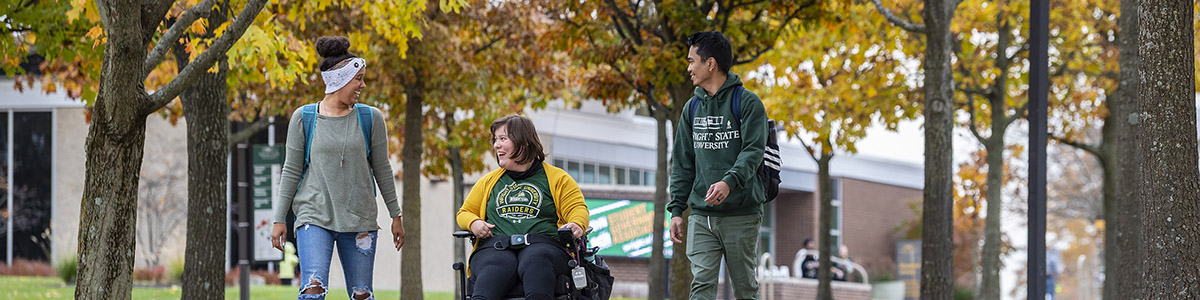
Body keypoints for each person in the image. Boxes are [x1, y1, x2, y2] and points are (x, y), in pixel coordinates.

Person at [269, 36, 405, 300]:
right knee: (312, 289)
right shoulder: (304, 118)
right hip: (313, 216)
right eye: (358, 79)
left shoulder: (371, 118)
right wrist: (278, 218)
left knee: (361, 294)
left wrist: (395, 215)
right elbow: (291, 171)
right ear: (339, 80)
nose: (363, 85)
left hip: (359, 218)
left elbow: (382, 169)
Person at [668, 30, 768, 300]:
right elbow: (682, 163)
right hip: (701, 216)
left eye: (692, 61)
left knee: (745, 288)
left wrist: (729, 181)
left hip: (741, 213)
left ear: (710, 63)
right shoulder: (691, 108)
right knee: (701, 285)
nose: (688, 68)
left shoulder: (748, 103)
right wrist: (677, 209)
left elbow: (753, 151)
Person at [456, 115, 590, 300]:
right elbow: (465, 212)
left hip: (543, 247)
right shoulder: (488, 182)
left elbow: (577, 208)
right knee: (496, 266)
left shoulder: (558, 178)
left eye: (503, 139)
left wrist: (577, 223)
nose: (496, 145)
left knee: (536, 260)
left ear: (524, 143)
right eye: (496, 140)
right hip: (496, 248)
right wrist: (474, 223)